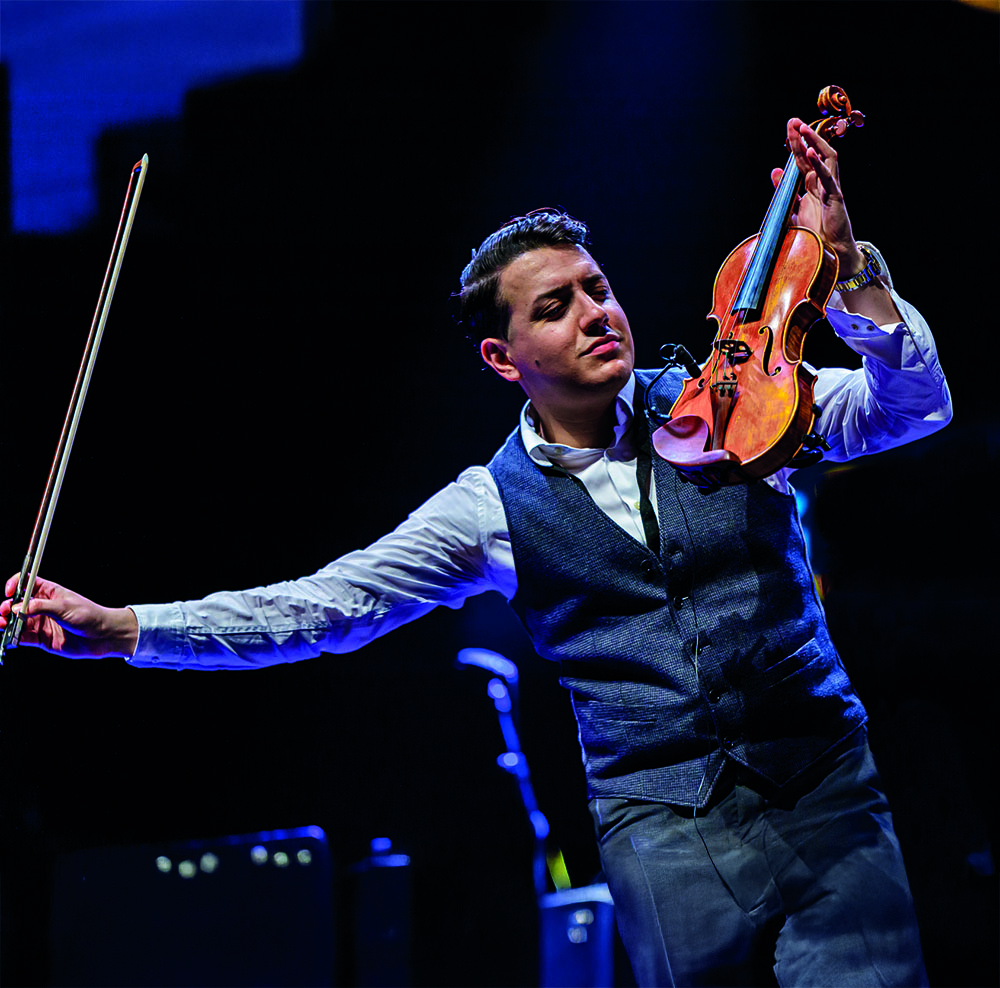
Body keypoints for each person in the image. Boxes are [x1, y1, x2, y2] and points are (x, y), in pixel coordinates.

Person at [2, 119, 950, 986]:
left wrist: (850, 270)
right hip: (662, 831)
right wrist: (122, 629)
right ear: (504, 358)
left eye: (599, 289)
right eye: (555, 307)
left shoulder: (747, 400)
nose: (596, 313)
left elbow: (914, 408)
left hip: (822, 782)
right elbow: (323, 609)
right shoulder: (488, 507)